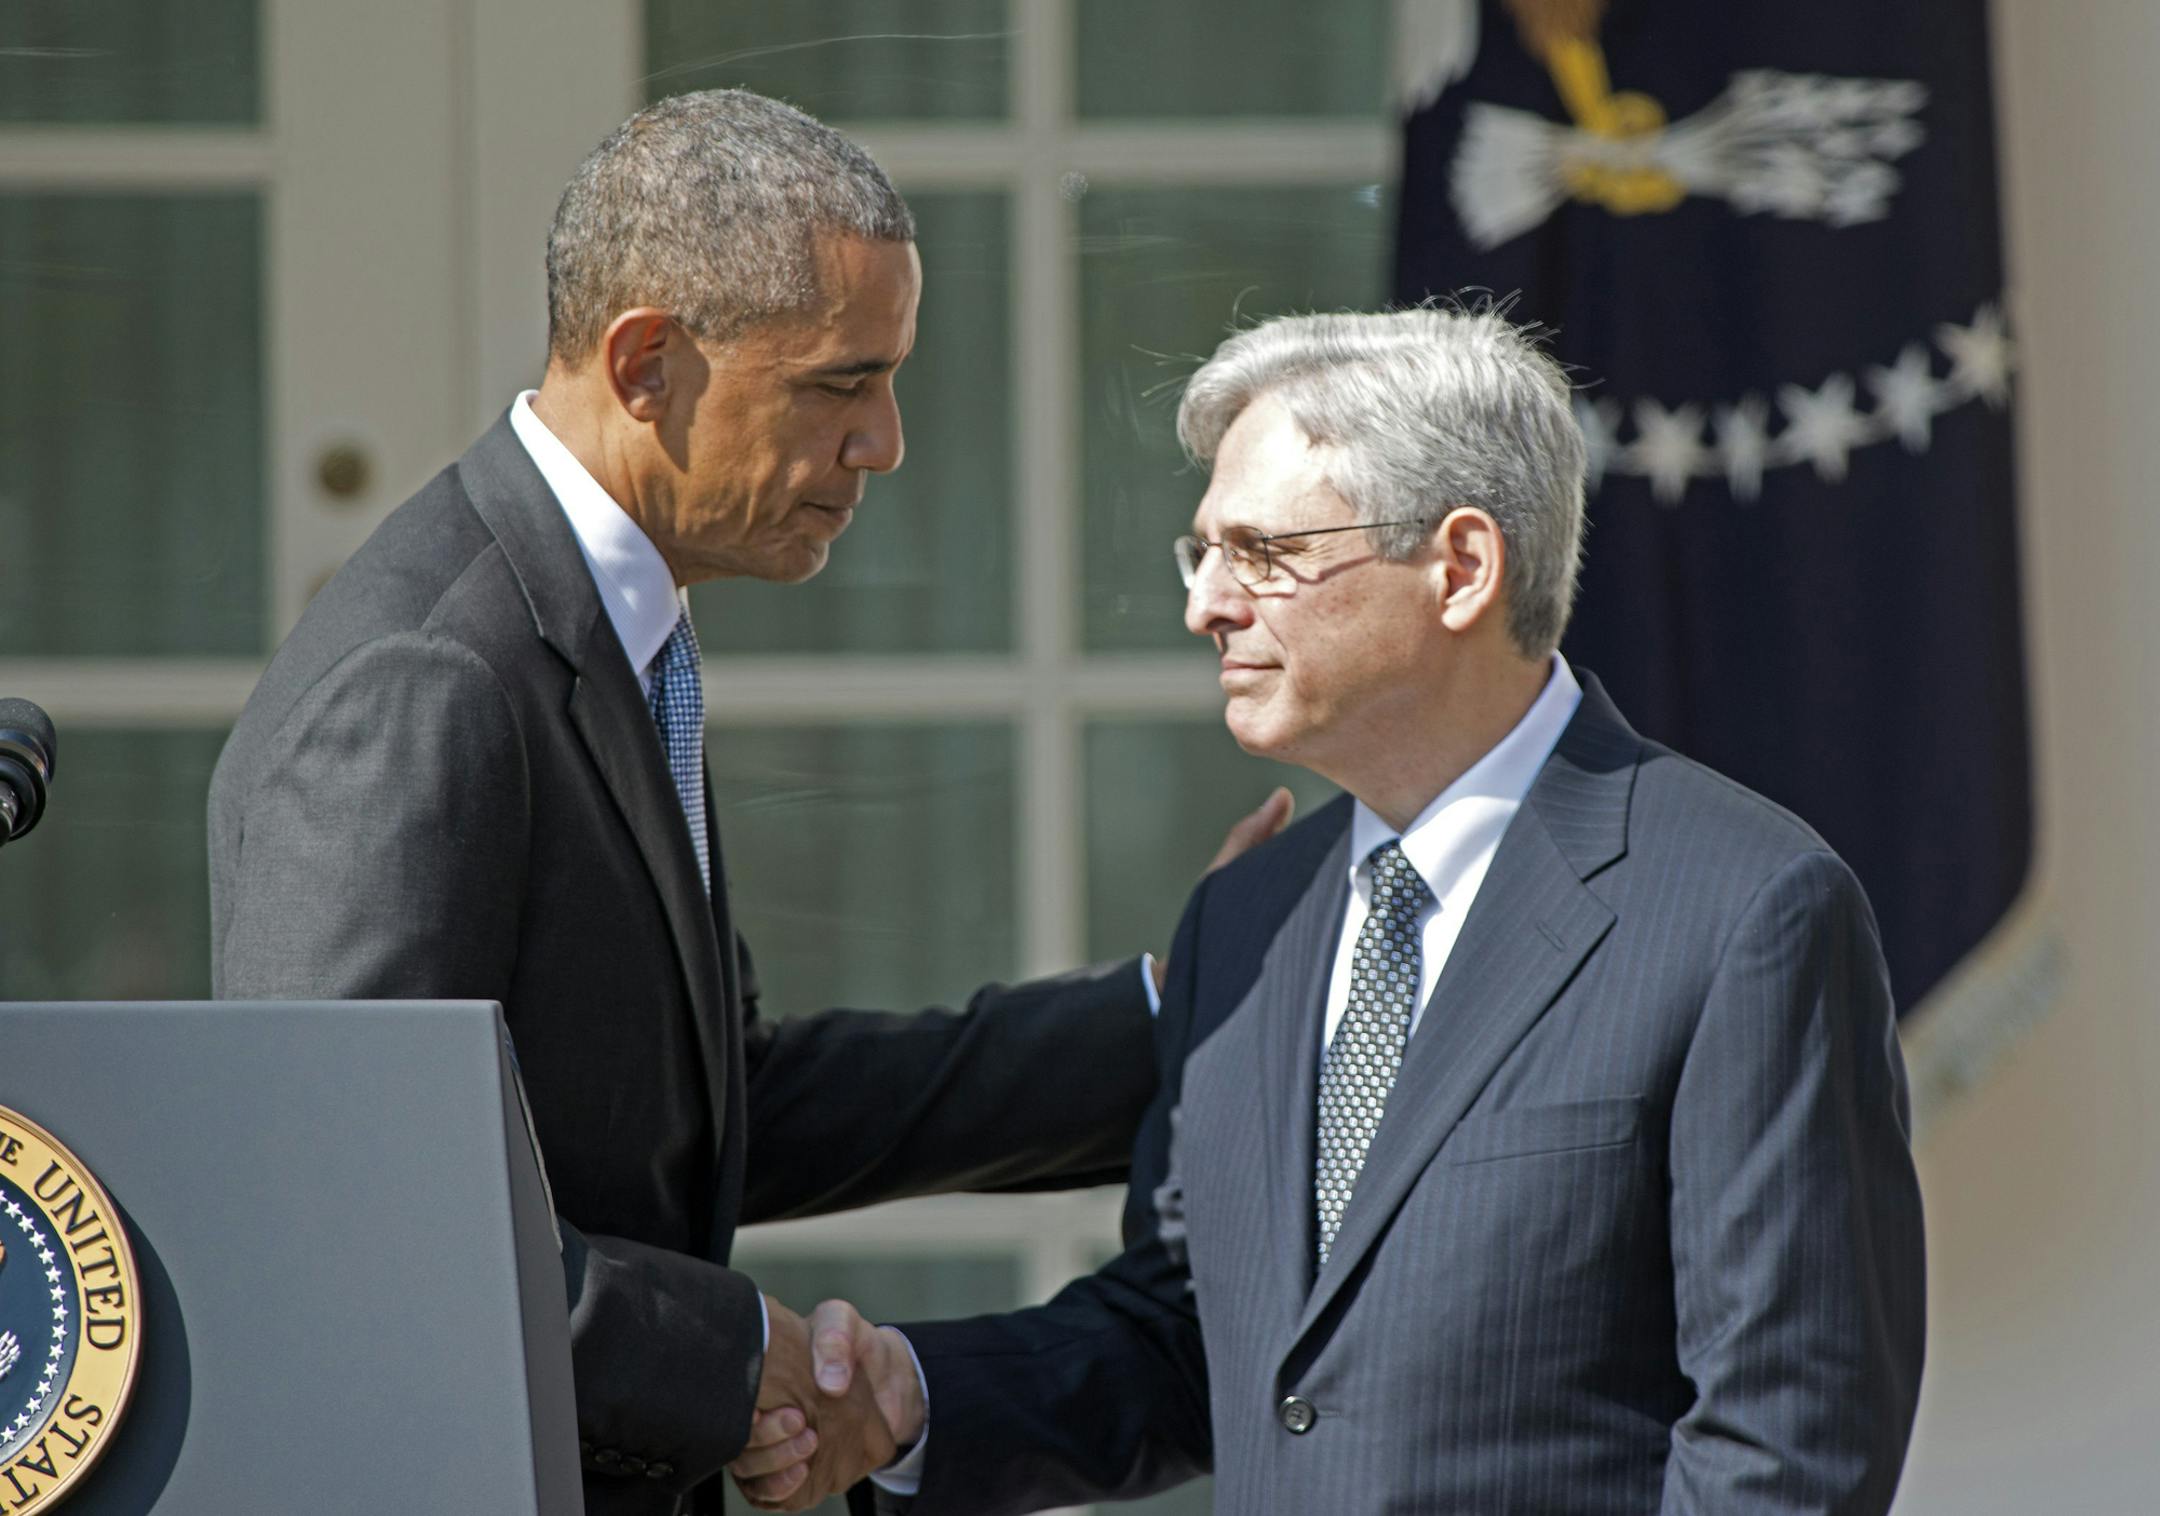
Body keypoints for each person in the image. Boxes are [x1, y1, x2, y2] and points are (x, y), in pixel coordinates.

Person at [207, 89, 1285, 1515]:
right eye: (839, 384)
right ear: (647, 360)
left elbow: (717, 1110)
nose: (885, 443)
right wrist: (732, 1356)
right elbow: (333, 1212)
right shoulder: (428, 679)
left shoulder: (612, 624)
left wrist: (1180, 1008)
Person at [754, 307, 1928, 1514]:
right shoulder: (1251, 916)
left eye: (1261, 552)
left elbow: (1785, 1451)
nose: (1207, 602)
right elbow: (1195, 1334)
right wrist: (913, 1395)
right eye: (1203, 551)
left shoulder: (1747, 911)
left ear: (1461, 568)